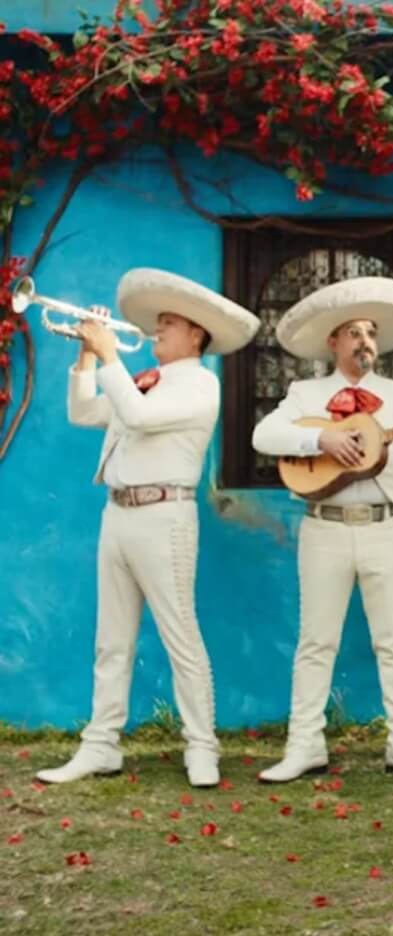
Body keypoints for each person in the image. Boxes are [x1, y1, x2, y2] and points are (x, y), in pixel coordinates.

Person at [37, 269, 260, 788]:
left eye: (168, 323)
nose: (156, 331)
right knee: (111, 640)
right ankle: (100, 746)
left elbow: (136, 418)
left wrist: (110, 354)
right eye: (157, 323)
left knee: (181, 634)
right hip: (117, 514)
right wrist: (88, 356)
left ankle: (202, 747)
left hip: (166, 517)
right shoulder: (141, 380)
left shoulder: (202, 383)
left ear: (196, 335)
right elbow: (83, 411)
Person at [252, 277, 393, 783]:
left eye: (371, 333)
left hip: (387, 527)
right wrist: (322, 439)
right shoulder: (306, 392)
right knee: (316, 641)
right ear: (333, 343)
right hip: (325, 528)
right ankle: (304, 746)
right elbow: (264, 434)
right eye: (354, 332)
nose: (365, 341)